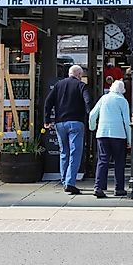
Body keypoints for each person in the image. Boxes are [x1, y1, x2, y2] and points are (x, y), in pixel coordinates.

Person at [44, 64, 91, 194]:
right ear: (79, 75)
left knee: (64, 152)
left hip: (60, 123)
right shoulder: (81, 86)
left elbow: (48, 102)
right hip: (76, 122)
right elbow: (87, 100)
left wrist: (47, 120)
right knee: (75, 153)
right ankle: (70, 182)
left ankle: (64, 180)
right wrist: (89, 114)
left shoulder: (59, 85)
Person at [88, 79, 131, 198]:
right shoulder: (123, 101)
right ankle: (119, 188)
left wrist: (92, 127)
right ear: (122, 90)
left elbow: (92, 114)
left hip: (102, 133)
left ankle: (98, 187)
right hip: (118, 135)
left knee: (102, 160)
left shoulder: (104, 98)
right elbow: (127, 121)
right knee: (119, 162)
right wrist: (130, 139)